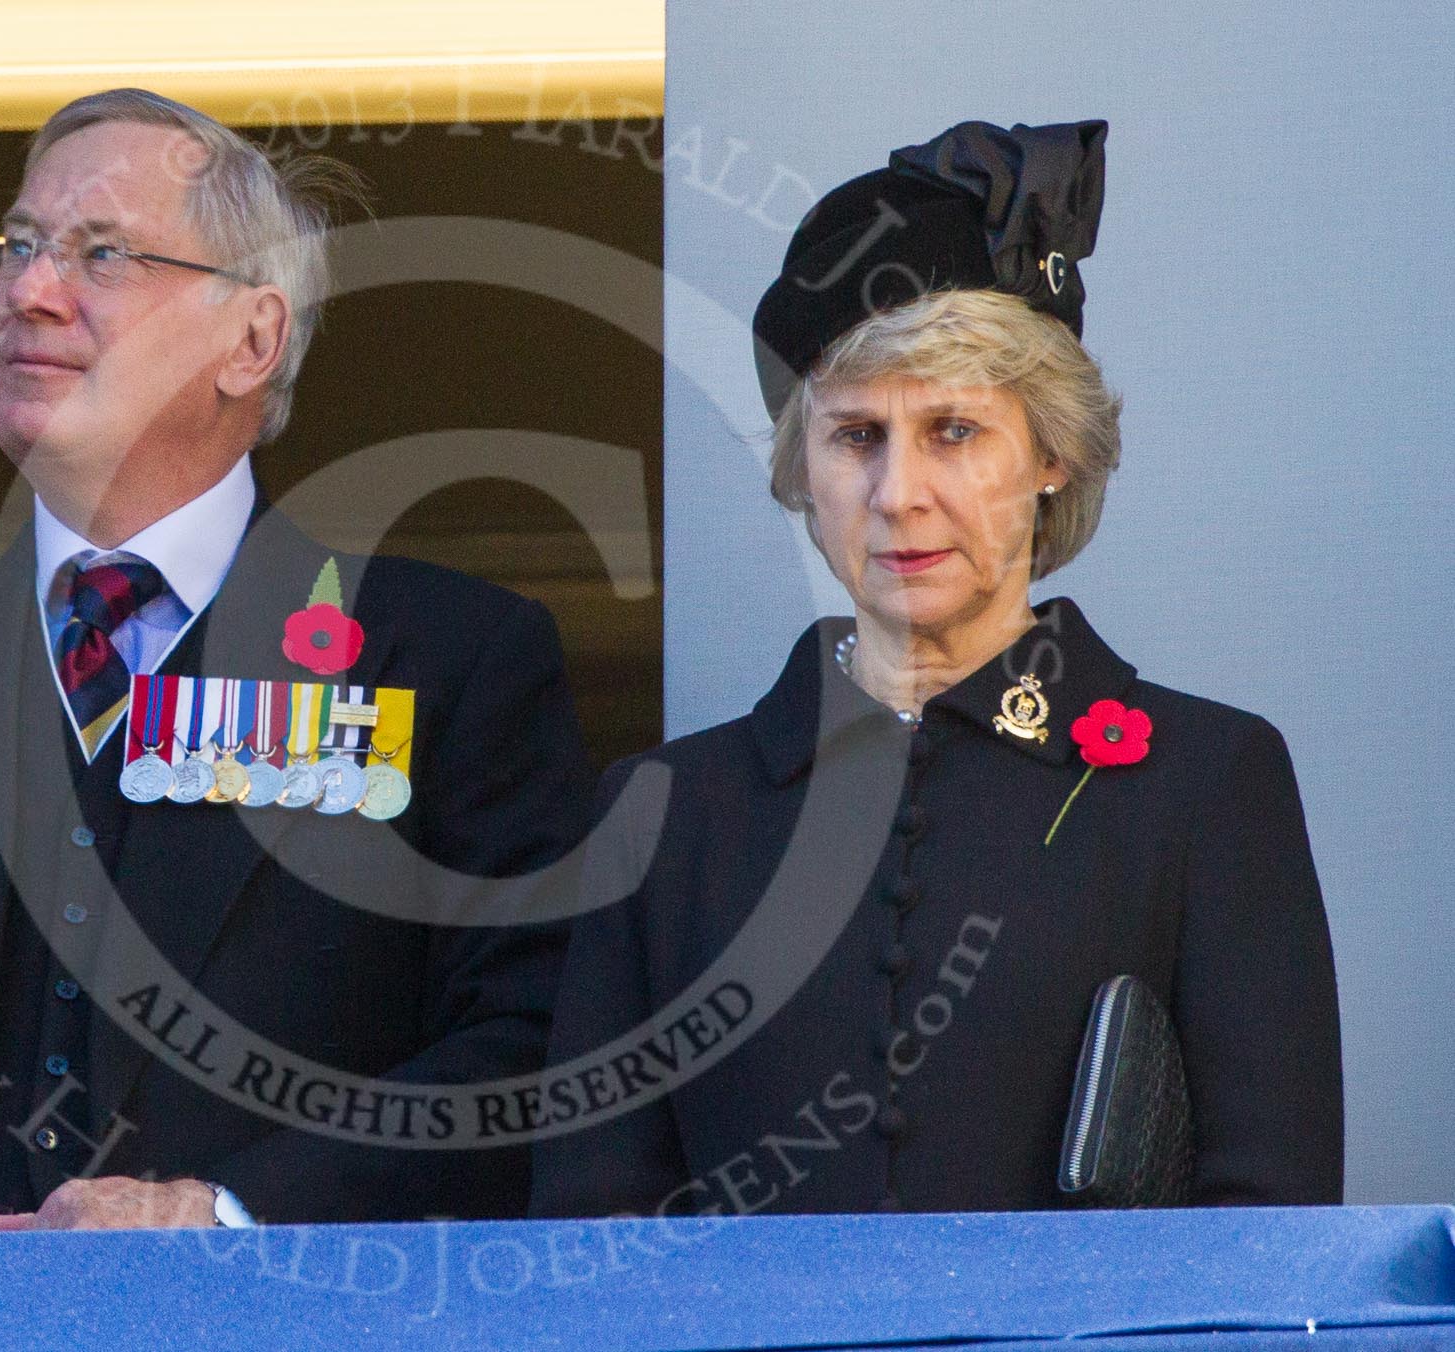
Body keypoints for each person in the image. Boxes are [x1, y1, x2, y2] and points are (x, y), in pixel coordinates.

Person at [0, 88, 592, 1235]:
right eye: (15, 247)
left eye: (102, 253)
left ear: (251, 339)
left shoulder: (450, 660)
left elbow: (536, 1047)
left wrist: (220, 1214)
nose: (28, 291)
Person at [530, 120, 1342, 1217]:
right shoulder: (665, 817)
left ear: (1051, 453)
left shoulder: (1206, 783)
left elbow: (1268, 1220)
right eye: (856, 436)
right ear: (801, 470)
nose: (900, 491)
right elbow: (596, 1243)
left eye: (954, 430)